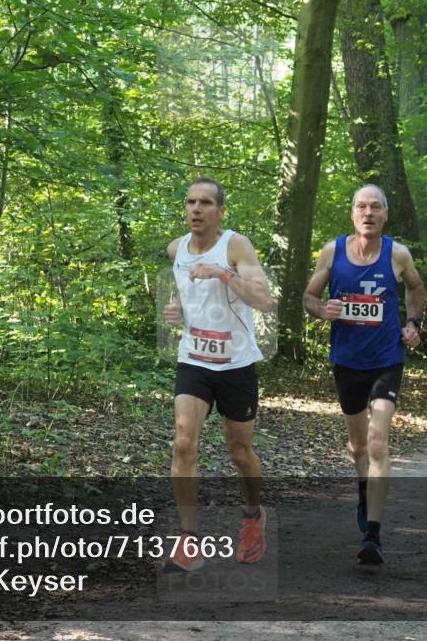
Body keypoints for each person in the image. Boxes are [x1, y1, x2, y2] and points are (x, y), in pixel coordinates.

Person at [302, 184, 425, 566]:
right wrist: (322, 311)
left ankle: (373, 534)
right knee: (358, 447)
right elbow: (308, 297)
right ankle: (363, 488)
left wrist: (413, 323)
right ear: (352, 214)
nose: (367, 213)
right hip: (346, 361)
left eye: (375, 207)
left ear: (385, 214)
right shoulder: (333, 251)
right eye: (361, 206)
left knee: (377, 441)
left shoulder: (397, 254)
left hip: (387, 359)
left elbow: (417, 287)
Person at [162, 178, 275, 572]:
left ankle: (252, 515)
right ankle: (188, 539)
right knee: (183, 444)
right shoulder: (176, 249)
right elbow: (185, 296)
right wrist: (175, 310)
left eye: (206, 203)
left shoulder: (235, 246)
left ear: (220, 211)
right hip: (193, 359)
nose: (196, 209)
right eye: (190, 202)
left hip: (236, 364)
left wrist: (224, 273)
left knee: (240, 453)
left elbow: (265, 300)